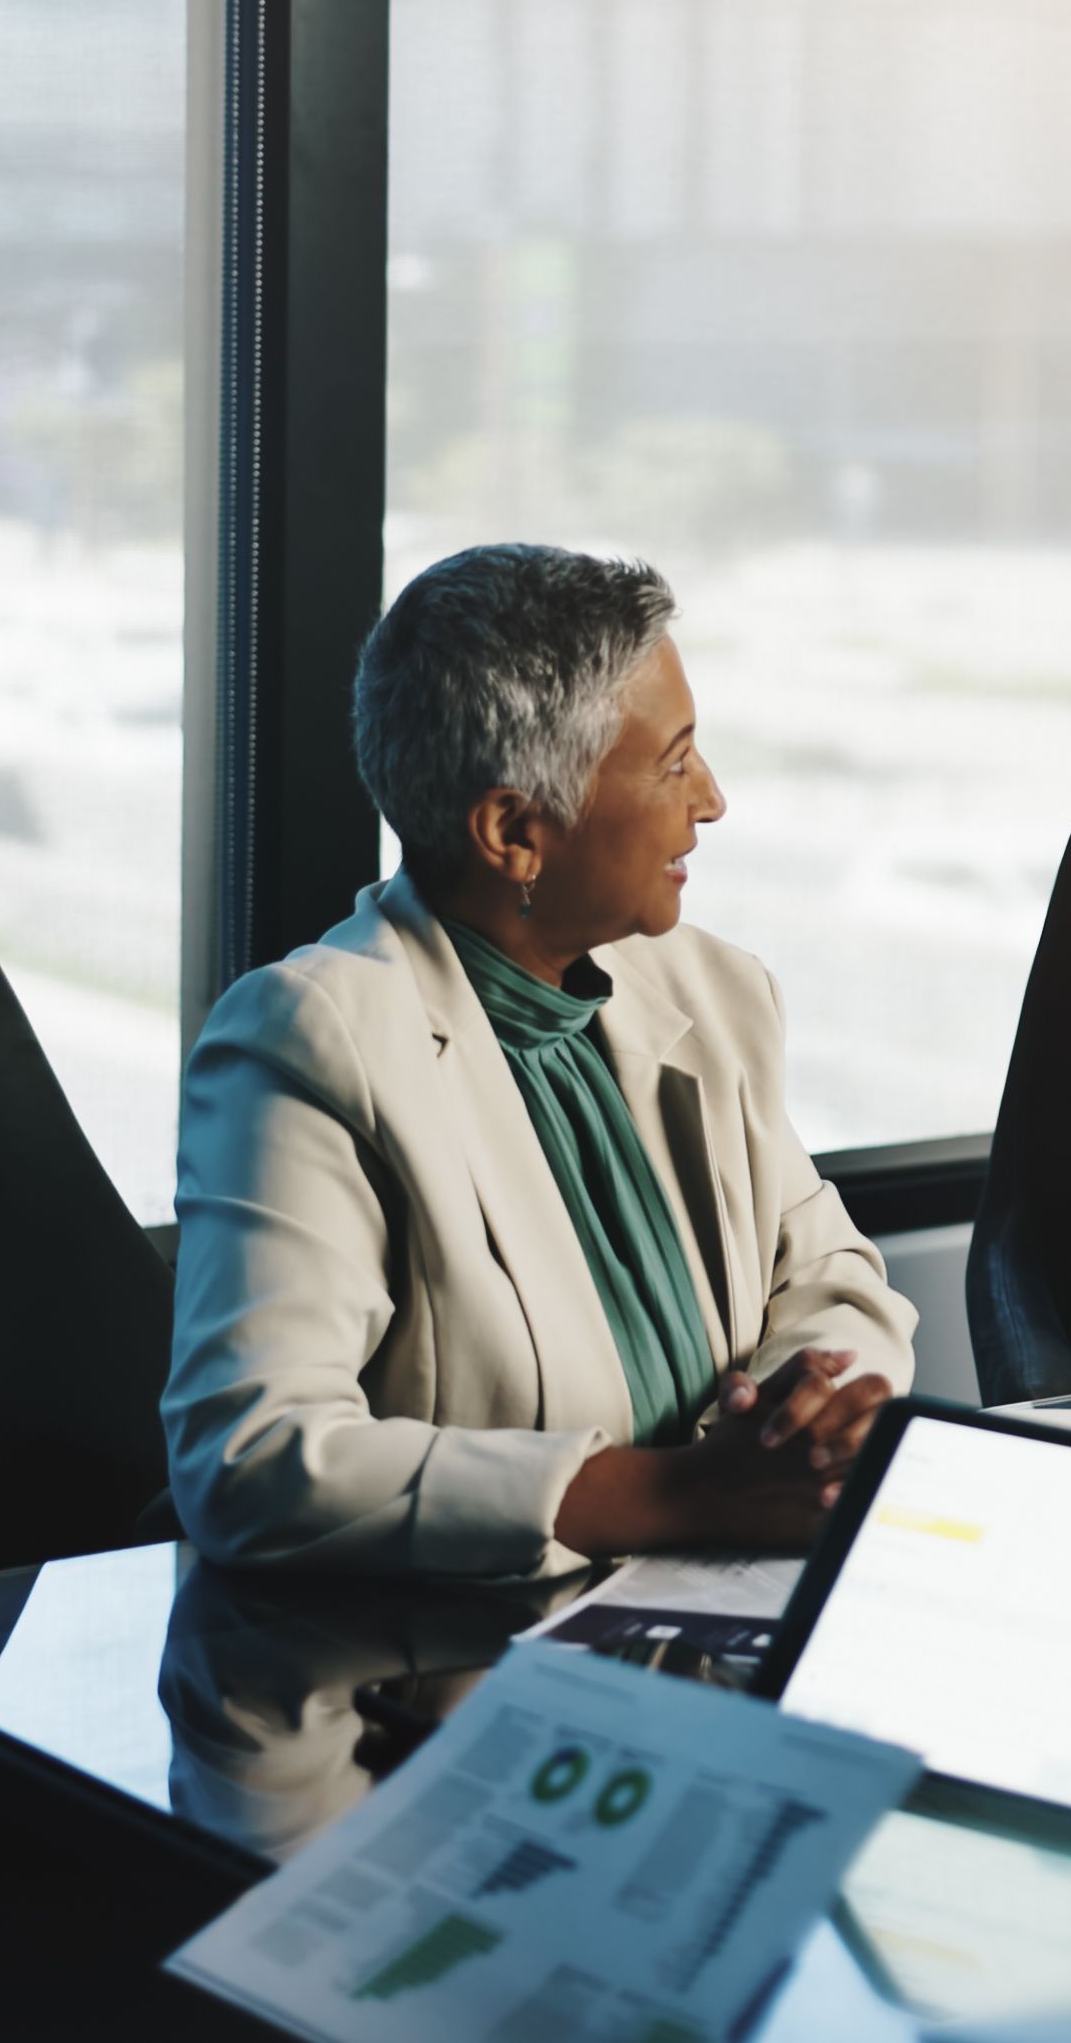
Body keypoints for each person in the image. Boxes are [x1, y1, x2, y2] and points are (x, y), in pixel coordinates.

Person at [165, 545, 915, 1576]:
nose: (712, 798)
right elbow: (250, 1459)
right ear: (515, 831)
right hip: (445, 1678)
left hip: (716, 1624)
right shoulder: (308, 1043)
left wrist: (820, 1411)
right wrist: (679, 1495)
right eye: (673, 760)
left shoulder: (715, 992)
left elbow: (827, 1269)